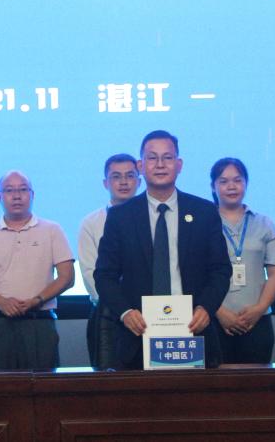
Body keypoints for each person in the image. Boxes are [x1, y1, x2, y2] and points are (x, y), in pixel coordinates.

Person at [95, 130, 231, 369]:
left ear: (179, 165)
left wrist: (206, 308)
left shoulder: (204, 212)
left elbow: (220, 270)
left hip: (193, 330)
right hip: (138, 334)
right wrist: (125, 312)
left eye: (167, 157)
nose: (160, 165)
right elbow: (105, 275)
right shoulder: (120, 216)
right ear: (140, 165)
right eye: (152, 158)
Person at [0, 171, 75, 370]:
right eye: (9, 190)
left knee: (44, 385)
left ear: (32, 195)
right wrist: (1, 302)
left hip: (39, 322)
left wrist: (37, 300)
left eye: (23, 190)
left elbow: (67, 277)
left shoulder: (52, 230)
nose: (17, 196)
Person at [210, 157, 275, 363]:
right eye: (223, 181)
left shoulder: (265, 223)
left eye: (238, 180)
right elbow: (195, 274)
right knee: (216, 382)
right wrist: (218, 311)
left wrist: (259, 309)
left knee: (256, 381)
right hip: (215, 320)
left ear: (246, 183)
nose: (231, 186)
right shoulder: (204, 223)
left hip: (257, 321)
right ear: (213, 186)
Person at [77, 153, 140, 369]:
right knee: (107, 379)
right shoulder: (91, 223)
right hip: (107, 313)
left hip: (148, 312)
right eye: (116, 176)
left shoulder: (153, 218)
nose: (124, 182)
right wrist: (122, 308)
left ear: (139, 181)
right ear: (106, 183)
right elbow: (90, 273)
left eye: (130, 176)